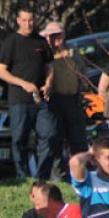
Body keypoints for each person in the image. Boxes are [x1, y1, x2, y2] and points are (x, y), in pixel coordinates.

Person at [0, 8, 59, 181]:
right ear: (18, 20)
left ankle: (41, 176)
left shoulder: (40, 41)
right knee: (19, 139)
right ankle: (22, 176)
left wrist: (48, 83)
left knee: (50, 135)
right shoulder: (12, 42)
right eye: (24, 20)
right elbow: (1, 71)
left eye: (30, 20)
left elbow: (50, 66)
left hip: (41, 100)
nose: (28, 24)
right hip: (19, 100)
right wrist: (22, 83)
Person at [40, 21, 88, 160]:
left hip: (73, 99)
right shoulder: (45, 53)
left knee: (78, 137)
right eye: (53, 35)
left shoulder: (72, 51)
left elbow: (82, 71)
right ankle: (58, 173)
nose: (57, 38)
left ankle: (80, 168)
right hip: (54, 100)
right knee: (56, 138)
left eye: (60, 34)